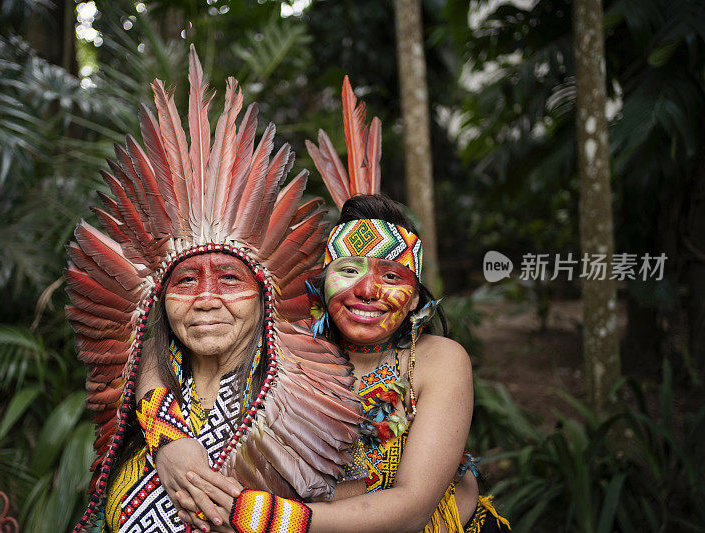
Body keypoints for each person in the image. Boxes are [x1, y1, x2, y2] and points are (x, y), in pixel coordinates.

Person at [173, 79, 510, 533]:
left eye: (391, 276)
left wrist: (270, 518)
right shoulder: (285, 343)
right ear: (322, 282)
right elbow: (156, 348)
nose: (368, 291)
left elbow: (412, 509)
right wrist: (168, 441)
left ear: (414, 299)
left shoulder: (438, 361)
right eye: (349, 270)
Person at [65, 47, 364, 533]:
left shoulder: (321, 384)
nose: (207, 297)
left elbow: (409, 498)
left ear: (266, 293)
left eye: (229, 278)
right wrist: (163, 432)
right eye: (186, 280)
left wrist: (270, 519)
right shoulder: (153, 389)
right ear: (158, 300)